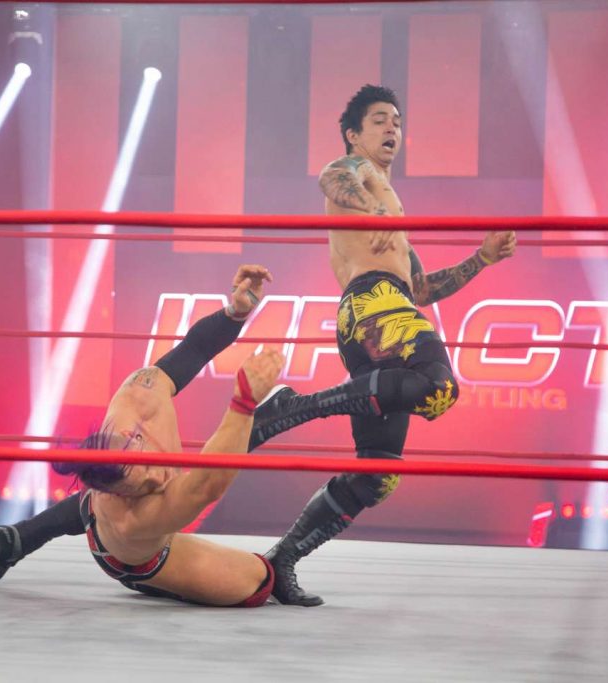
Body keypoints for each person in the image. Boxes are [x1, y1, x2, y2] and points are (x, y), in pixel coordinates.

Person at [247, 85, 517, 606]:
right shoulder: (358, 174)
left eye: (397, 120)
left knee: (376, 475)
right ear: (354, 134)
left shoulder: (391, 207)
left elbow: (422, 290)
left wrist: (481, 259)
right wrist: (374, 210)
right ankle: (295, 408)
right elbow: (332, 176)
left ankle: (282, 560)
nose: (392, 127)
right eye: (379, 120)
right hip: (372, 304)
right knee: (438, 386)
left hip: (385, 310)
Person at [0, 265, 287, 607]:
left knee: (102, 480)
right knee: (259, 581)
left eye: (145, 471)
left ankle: (21, 536)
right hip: (137, 558)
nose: (157, 479)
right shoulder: (134, 517)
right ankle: (149, 583)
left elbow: (194, 349)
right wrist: (244, 402)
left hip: (101, 499)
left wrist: (235, 313)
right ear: (118, 495)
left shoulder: (139, 394)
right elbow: (206, 486)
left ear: (131, 436)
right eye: (140, 488)